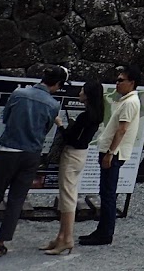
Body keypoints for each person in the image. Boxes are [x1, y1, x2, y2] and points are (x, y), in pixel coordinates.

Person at [0, 65, 68, 258]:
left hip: (9, 149)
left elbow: (6, 118)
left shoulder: (19, 94)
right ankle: (0, 243)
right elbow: (46, 128)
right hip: (31, 153)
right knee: (16, 199)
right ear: (58, 84)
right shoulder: (53, 104)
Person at [80, 65, 142, 247]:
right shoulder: (126, 101)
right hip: (112, 152)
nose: (117, 83)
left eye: (121, 80)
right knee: (106, 192)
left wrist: (110, 153)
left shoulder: (130, 102)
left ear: (132, 83)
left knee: (108, 194)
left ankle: (105, 233)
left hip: (114, 153)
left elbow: (122, 130)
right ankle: (102, 230)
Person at [43, 79, 105, 256]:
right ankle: (61, 237)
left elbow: (73, 140)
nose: (80, 93)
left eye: (82, 91)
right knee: (67, 194)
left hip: (72, 155)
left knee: (68, 196)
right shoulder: (95, 115)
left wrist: (61, 125)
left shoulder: (85, 117)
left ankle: (67, 238)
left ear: (88, 95)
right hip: (80, 155)